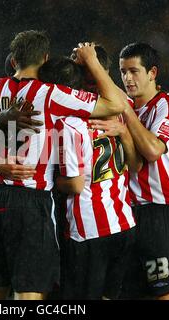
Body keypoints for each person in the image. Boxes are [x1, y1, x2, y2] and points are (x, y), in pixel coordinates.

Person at [0, 31, 128, 300]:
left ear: (14, 59)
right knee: (28, 291)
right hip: (30, 201)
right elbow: (117, 103)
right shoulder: (50, 93)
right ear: (44, 59)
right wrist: (93, 63)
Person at [39, 54, 142, 299]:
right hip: (123, 223)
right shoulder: (122, 108)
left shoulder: (70, 122)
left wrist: (47, 179)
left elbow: (74, 185)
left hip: (88, 229)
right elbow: (136, 166)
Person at [97, 42, 169, 300]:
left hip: (160, 209)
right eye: (123, 72)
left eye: (134, 71)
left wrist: (126, 115)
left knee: (163, 294)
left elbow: (153, 150)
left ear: (152, 73)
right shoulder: (125, 105)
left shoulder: (166, 107)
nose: (127, 78)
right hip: (127, 212)